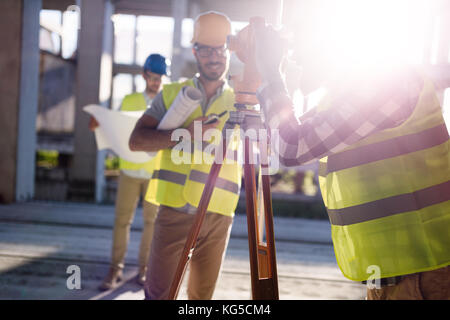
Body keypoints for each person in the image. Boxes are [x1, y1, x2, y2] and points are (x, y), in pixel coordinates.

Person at [252, 24, 450, 299]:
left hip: (427, 275)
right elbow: (281, 135)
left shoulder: (387, 83)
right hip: (394, 276)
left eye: (299, 43)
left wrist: (271, 73)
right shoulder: (348, 98)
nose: (293, 55)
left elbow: (292, 147)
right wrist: (261, 79)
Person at [129, 11, 242, 300]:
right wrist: (181, 134)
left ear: (229, 50)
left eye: (220, 49)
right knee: (158, 296)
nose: (214, 57)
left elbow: (266, 150)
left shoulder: (243, 100)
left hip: (218, 215)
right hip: (174, 211)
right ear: (195, 51)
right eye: (206, 49)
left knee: (201, 301)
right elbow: (137, 141)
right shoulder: (171, 94)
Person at [89, 53, 168, 290]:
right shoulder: (130, 100)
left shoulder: (167, 102)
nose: (157, 82)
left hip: (154, 172)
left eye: (161, 77)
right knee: (122, 220)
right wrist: (100, 123)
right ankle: (116, 269)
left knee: (151, 223)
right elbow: (116, 129)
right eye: (154, 77)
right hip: (130, 170)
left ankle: (144, 270)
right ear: (145, 75)